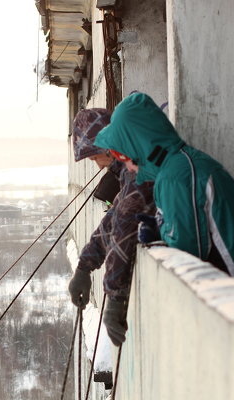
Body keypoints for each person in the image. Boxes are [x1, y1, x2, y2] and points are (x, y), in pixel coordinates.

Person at [94, 92, 234, 301]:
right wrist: (162, 227)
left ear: (138, 147)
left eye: (123, 155)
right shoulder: (180, 167)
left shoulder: (177, 177)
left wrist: (161, 237)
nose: (126, 165)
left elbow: (188, 252)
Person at [68, 107, 155, 345]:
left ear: (108, 147)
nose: (97, 166)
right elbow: (113, 219)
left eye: (95, 157)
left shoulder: (139, 172)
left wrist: (115, 298)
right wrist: (84, 267)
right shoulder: (132, 169)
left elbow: (124, 228)